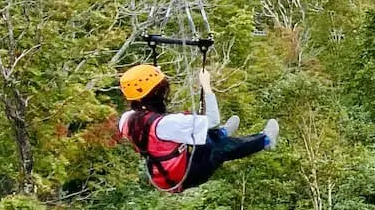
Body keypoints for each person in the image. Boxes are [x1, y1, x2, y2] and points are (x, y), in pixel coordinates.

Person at [118, 63, 278, 192]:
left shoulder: (127, 119)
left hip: (163, 172)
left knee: (202, 137)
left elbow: (162, 129)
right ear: (158, 94)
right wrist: (206, 86)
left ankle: (220, 134)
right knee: (219, 149)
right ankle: (265, 140)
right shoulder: (165, 124)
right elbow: (213, 119)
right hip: (183, 176)